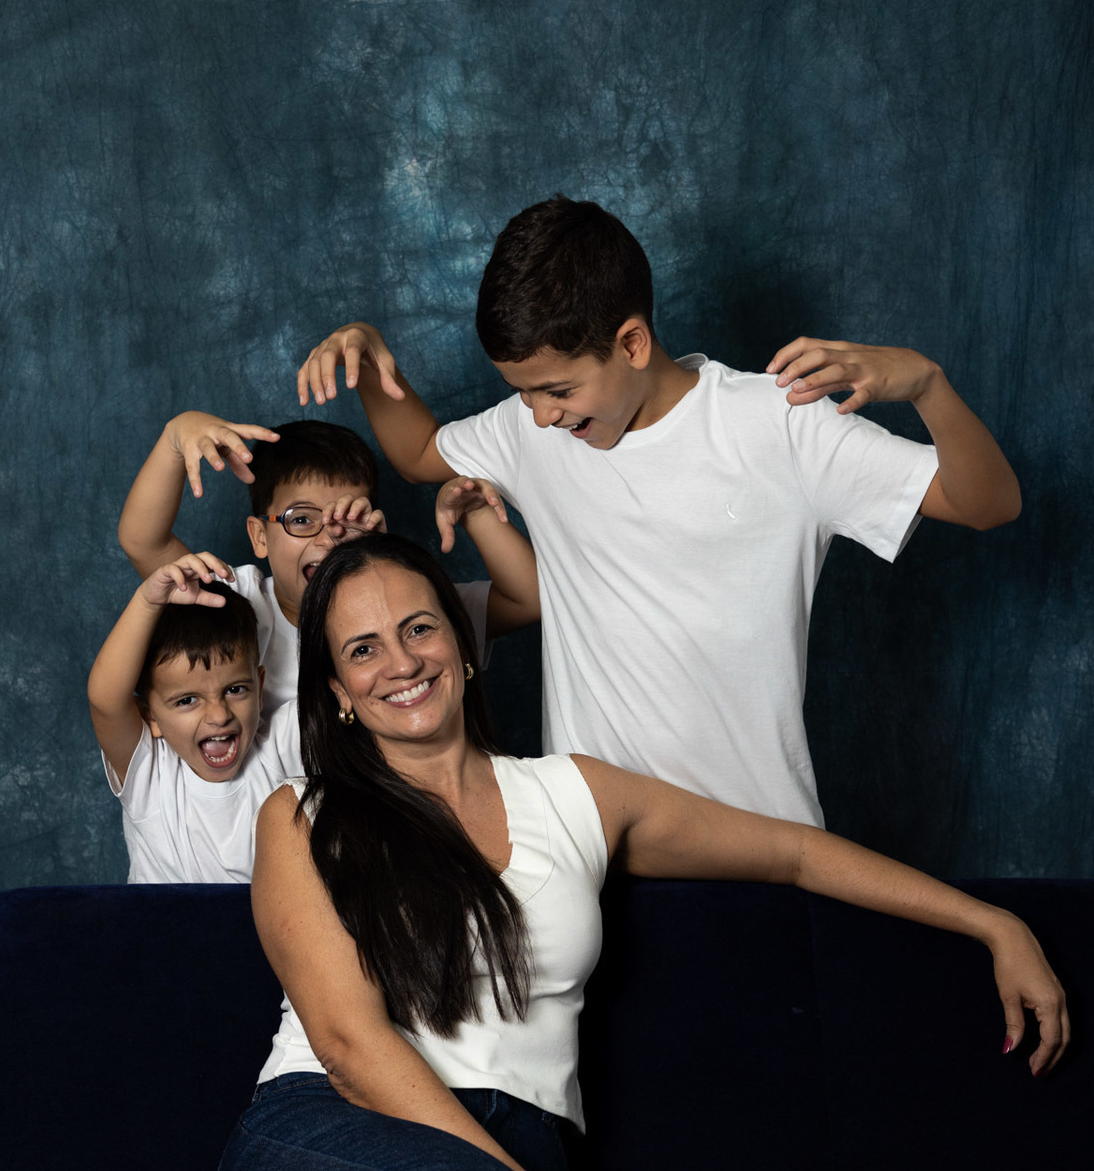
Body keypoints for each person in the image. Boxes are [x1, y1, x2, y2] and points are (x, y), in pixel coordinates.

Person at [0, 535, 1067, 1171]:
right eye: (364, 648)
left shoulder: (573, 794)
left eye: (421, 626)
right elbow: (346, 1037)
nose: (402, 661)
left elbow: (792, 853)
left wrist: (990, 920)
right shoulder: (301, 817)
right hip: (331, 1141)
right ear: (335, 689)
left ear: (465, 645)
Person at [294, 196, 1023, 827]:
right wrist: (369, 359)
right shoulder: (531, 428)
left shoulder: (779, 422)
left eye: (557, 390)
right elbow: (422, 451)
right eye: (524, 394)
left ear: (633, 342)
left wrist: (928, 385)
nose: (541, 417)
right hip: (596, 857)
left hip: (762, 846)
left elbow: (987, 503)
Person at [117, 412, 540, 709]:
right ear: (259, 536)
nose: (327, 536)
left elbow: (527, 600)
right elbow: (143, 542)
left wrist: (475, 513)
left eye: (347, 517)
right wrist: (176, 436)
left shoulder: (413, 616)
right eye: (301, 519)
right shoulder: (233, 605)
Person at [90, 553, 302, 884]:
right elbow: (105, 700)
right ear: (150, 717)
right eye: (187, 700)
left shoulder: (281, 744)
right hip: (167, 934)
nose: (219, 715)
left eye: (235, 689)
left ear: (259, 689)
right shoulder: (150, 774)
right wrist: (148, 600)